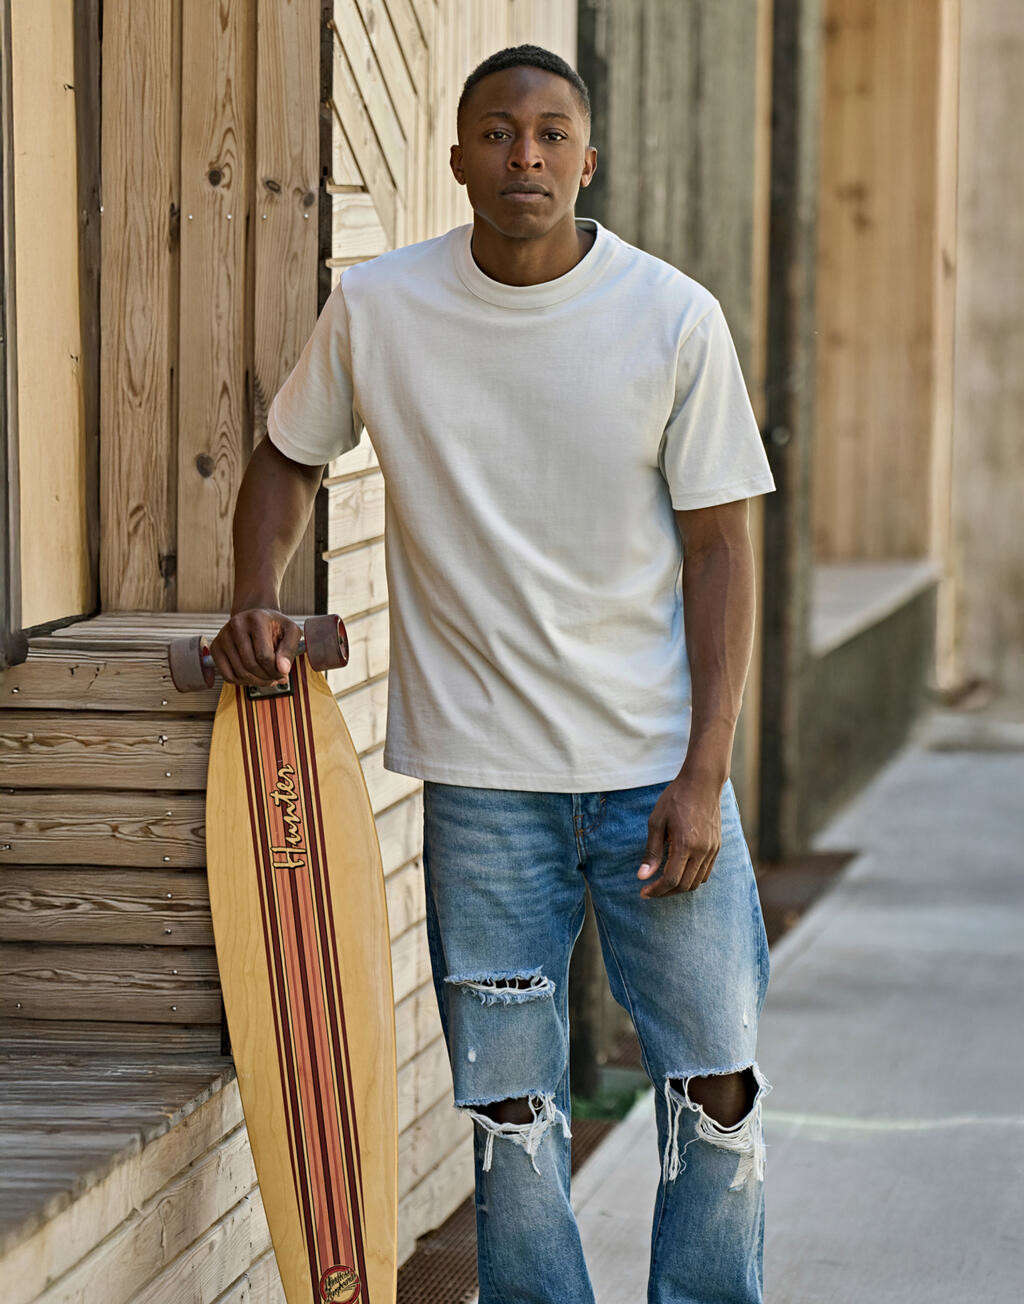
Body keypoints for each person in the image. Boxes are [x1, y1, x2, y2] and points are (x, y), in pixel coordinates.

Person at [211, 43, 776, 1304]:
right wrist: (257, 597)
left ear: (588, 159)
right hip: (483, 786)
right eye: (499, 131)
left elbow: (722, 547)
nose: (526, 152)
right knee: (511, 1109)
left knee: (718, 1082)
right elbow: (287, 458)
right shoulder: (380, 308)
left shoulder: (671, 316)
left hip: (653, 773)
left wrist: (705, 768)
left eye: (551, 132)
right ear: (459, 156)